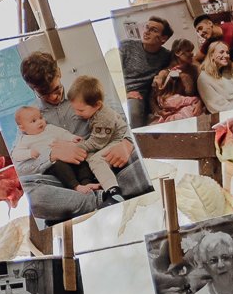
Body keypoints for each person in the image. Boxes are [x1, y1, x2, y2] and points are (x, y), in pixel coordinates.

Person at [8, 52, 139, 224]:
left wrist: (127, 143)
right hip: (66, 183)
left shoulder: (84, 91)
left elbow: (124, 120)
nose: (53, 97)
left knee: (142, 160)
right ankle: (104, 197)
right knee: (32, 192)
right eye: (44, 94)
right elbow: (19, 167)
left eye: (56, 89)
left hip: (108, 163)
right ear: (32, 88)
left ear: (59, 73)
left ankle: (82, 204)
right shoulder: (29, 117)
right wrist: (52, 154)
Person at [9, 106, 111, 200]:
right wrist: (29, 153)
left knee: (81, 162)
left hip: (69, 157)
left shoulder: (49, 128)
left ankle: (87, 183)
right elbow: (16, 154)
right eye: (34, 121)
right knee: (60, 166)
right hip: (52, 165)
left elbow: (62, 134)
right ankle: (76, 187)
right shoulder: (25, 140)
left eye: (40, 118)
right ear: (22, 128)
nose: (40, 122)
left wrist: (72, 138)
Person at [119, 15, 175, 128]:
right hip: (123, 92)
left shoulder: (165, 56)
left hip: (142, 96)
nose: (146, 32)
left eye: (153, 30)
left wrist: (164, 72)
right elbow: (111, 74)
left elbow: (178, 62)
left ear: (163, 38)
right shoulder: (127, 46)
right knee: (131, 111)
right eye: (146, 27)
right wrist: (124, 93)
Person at [151, 40, 203, 122]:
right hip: (172, 114)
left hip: (191, 109)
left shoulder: (194, 69)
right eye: (188, 51)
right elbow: (152, 97)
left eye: (192, 51)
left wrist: (200, 103)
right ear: (177, 52)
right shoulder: (165, 73)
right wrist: (159, 112)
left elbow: (202, 91)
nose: (192, 54)